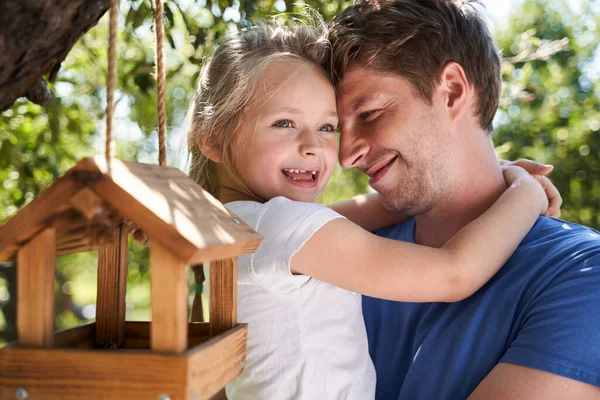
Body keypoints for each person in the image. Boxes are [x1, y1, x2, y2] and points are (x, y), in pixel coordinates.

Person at [186, 20, 557, 399]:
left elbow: (344, 217)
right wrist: (526, 193)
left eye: (328, 128)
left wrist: (486, 179)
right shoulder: (282, 228)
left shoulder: (233, 231)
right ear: (213, 139)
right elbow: (454, 274)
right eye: (284, 122)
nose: (314, 145)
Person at [328, 0, 600, 398]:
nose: (345, 155)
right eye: (336, 128)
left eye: (369, 113)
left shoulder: (579, 274)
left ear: (453, 91)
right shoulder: (346, 259)